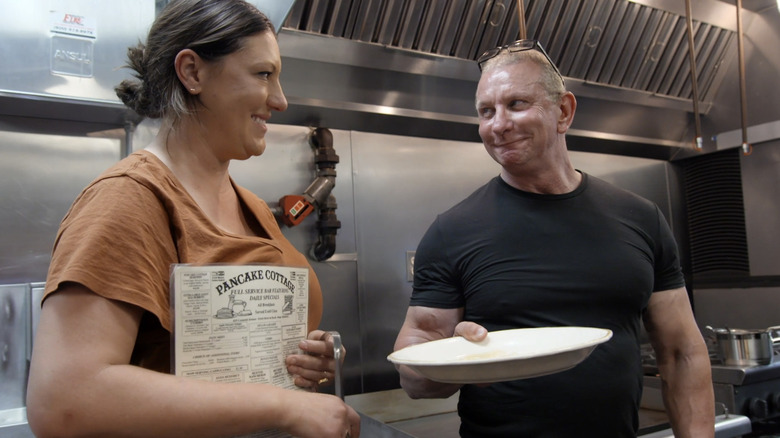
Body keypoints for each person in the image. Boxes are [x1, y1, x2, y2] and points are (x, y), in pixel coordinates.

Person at [25, 1, 360, 437]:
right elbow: (63, 400)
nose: (280, 100)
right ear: (192, 72)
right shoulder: (130, 200)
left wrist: (299, 357)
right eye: (263, 74)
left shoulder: (254, 208)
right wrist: (281, 406)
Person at [393, 40, 714, 437]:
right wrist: (455, 364)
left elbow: (682, 352)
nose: (498, 124)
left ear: (563, 111)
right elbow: (412, 375)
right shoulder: (451, 232)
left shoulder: (640, 217)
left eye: (516, 104)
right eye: (486, 111)